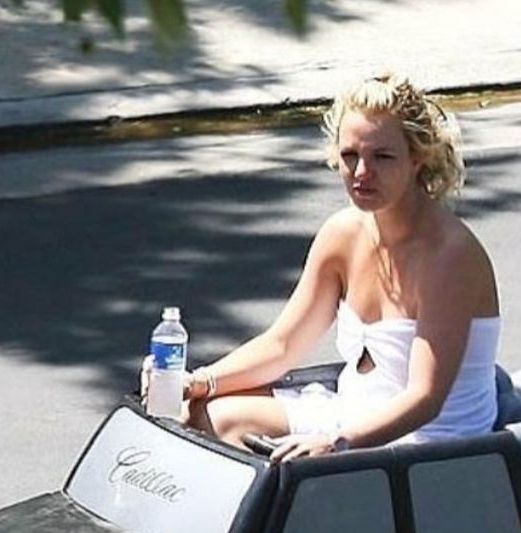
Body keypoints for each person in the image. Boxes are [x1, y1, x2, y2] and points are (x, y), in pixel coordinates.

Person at [155, 71, 501, 461]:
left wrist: (338, 442)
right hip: (351, 414)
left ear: (417, 159)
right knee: (207, 415)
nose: (361, 172)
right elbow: (282, 345)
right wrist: (198, 382)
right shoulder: (342, 234)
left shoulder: (449, 255)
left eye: (382, 157)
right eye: (350, 156)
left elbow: (425, 398)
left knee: (287, 472)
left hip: (432, 442)